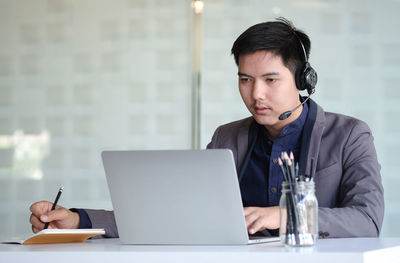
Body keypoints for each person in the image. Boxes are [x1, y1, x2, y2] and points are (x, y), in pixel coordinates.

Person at [29, 18, 384, 238]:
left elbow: (367, 219)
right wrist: (79, 220)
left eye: (270, 79)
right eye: (245, 79)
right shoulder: (228, 137)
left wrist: (284, 214)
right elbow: (176, 214)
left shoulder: (350, 135)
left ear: (303, 80)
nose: (255, 94)